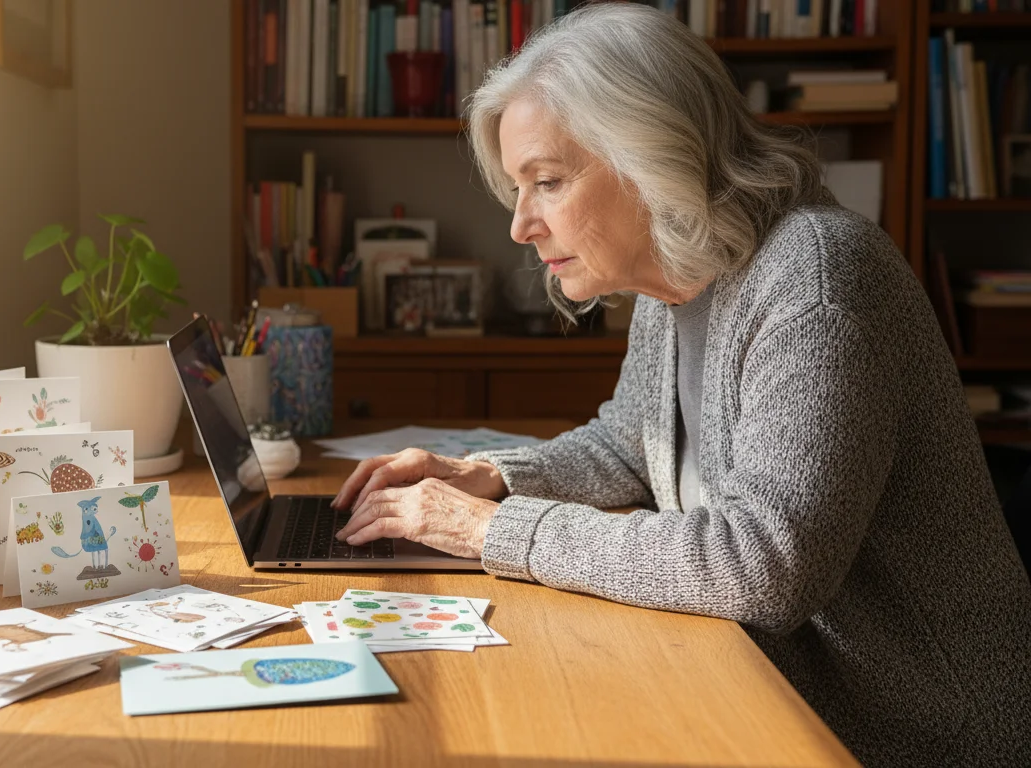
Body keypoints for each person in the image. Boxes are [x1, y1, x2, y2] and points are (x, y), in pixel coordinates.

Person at [331, 5, 1031, 766]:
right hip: (776, 691)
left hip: (911, 732)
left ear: (652, 156)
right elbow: (631, 446)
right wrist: (489, 477)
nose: (520, 226)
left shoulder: (819, 283)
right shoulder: (680, 275)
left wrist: (488, 532)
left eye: (549, 182)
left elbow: (762, 565)